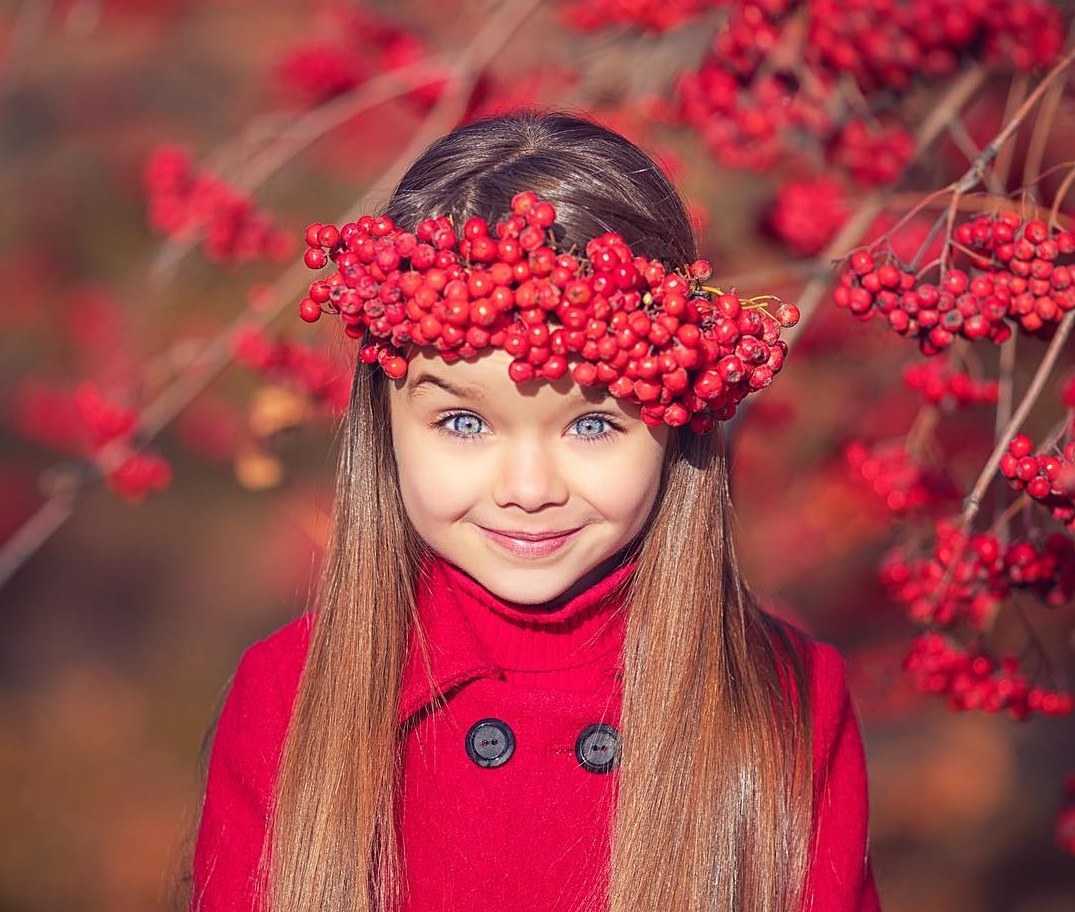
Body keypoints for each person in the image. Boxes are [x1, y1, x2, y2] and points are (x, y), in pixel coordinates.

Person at [190, 111, 881, 912]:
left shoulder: (782, 701)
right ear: (386, 423)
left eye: (592, 424)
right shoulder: (293, 692)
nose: (527, 488)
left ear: (674, 421)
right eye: (462, 422)